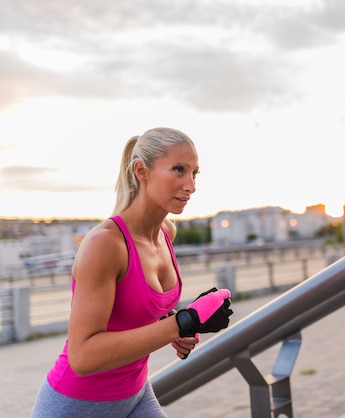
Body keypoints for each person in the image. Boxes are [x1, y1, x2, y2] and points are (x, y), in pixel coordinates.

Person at [30, 127, 233, 417]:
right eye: (179, 170)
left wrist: (178, 327)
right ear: (142, 171)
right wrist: (182, 322)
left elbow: (135, 313)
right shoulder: (105, 244)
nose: (191, 185)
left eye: (194, 173)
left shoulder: (166, 233)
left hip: (136, 395)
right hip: (75, 405)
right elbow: (82, 356)